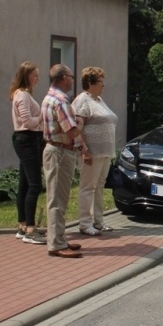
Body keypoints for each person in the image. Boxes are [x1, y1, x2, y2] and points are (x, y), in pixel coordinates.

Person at [42, 64, 84, 258]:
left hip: (55, 150)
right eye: (71, 77)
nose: (73, 80)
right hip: (59, 152)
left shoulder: (49, 97)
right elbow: (71, 130)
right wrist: (81, 123)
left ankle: (59, 238)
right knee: (58, 199)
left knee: (57, 198)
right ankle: (57, 244)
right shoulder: (61, 101)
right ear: (64, 77)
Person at [72, 67, 118, 236]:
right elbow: (78, 128)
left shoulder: (98, 100)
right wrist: (84, 150)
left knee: (99, 187)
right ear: (90, 83)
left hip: (105, 152)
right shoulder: (82, 100)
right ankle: (84, 223)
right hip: (91, 152)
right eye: (100, 82)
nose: (103, 85)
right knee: (88, 187)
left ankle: (99, 221)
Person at [9, 61, 46, 245]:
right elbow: (27, 122)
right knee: (34, 185)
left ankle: (22, 225)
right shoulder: (22, 95)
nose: (37, 79)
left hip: (28, 139)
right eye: (35, 75)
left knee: (24, 184)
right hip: (27, 140)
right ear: (26, 75)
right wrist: (43, 116)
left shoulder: (23, 94)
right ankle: (30, 229)